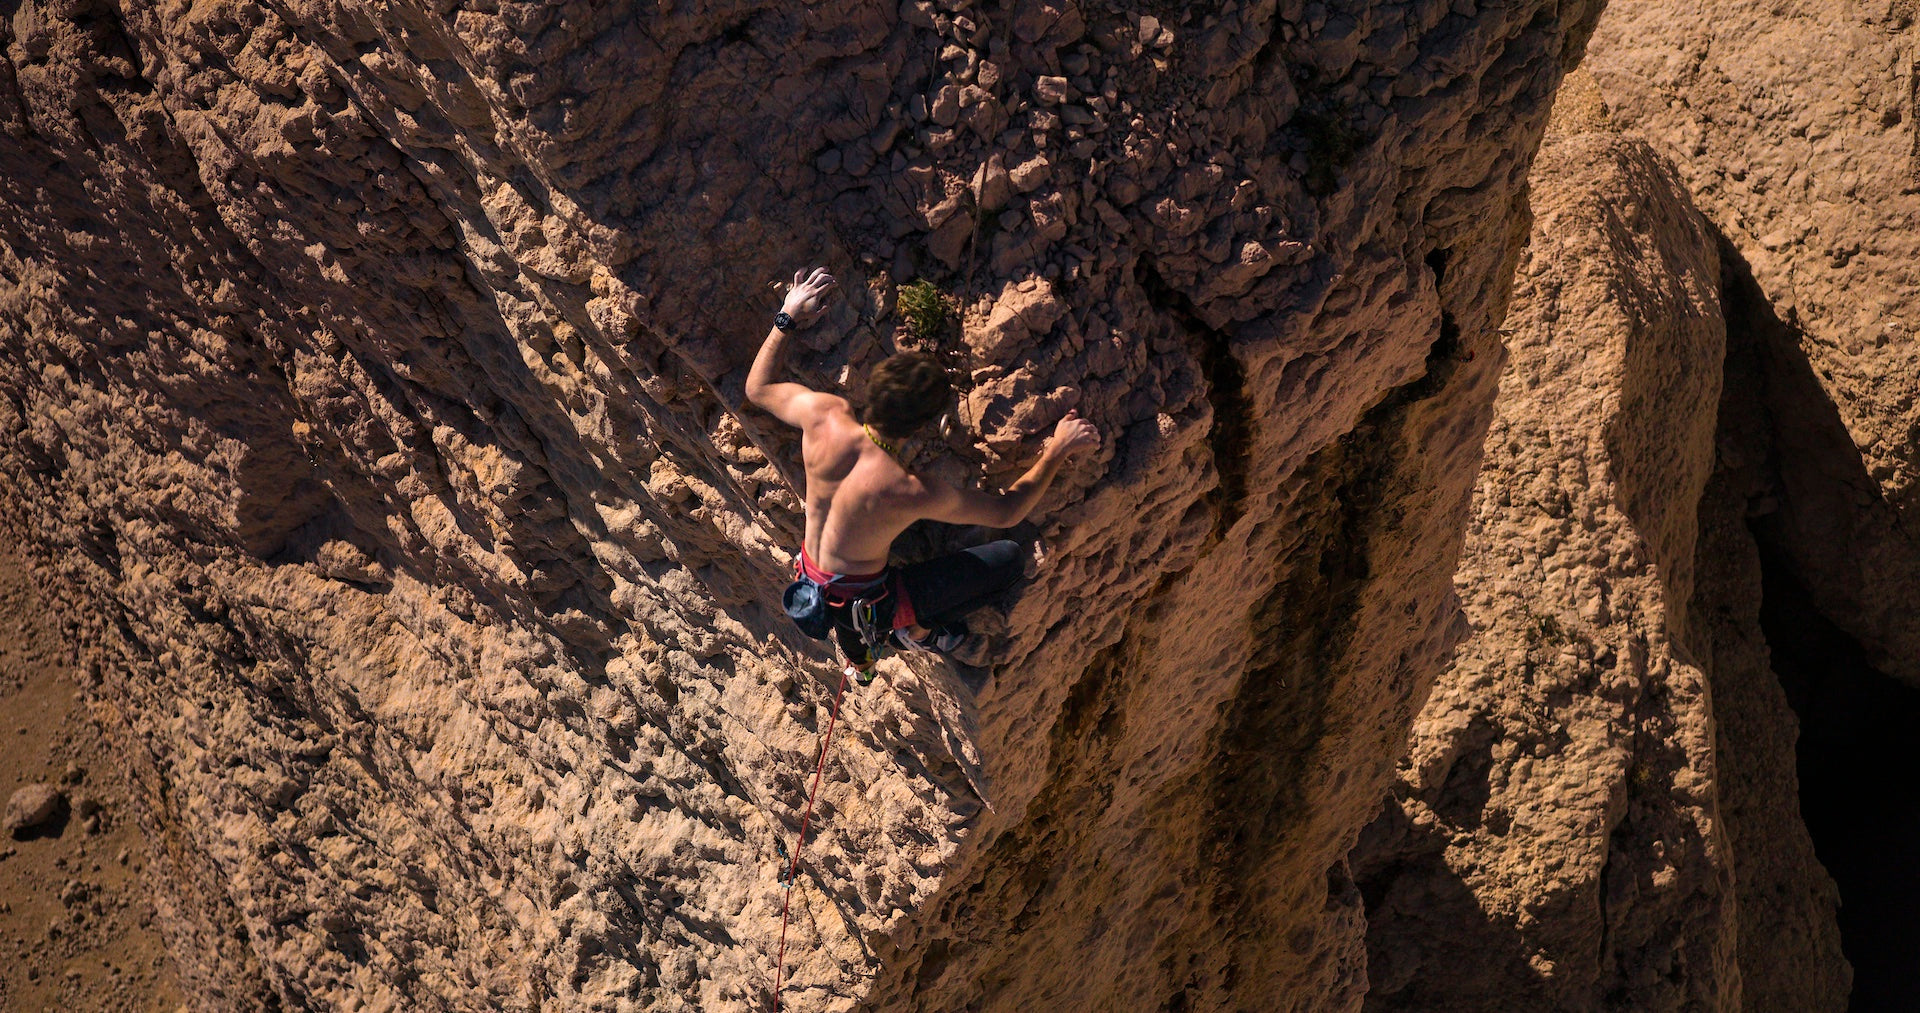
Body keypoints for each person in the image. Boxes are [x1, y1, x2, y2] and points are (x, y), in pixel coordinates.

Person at [745, 266, 1101, 672]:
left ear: (874, 391)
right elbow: (1007, 513)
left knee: (856, 629)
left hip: (812, 584)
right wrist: (1057, 449)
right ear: (922, 425)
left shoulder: (825, 416)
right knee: (1008, 561)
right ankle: (915, 631)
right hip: (871, 605)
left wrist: (788, 314)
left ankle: (864, 652)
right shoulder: (909, 489)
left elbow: (757, 389)